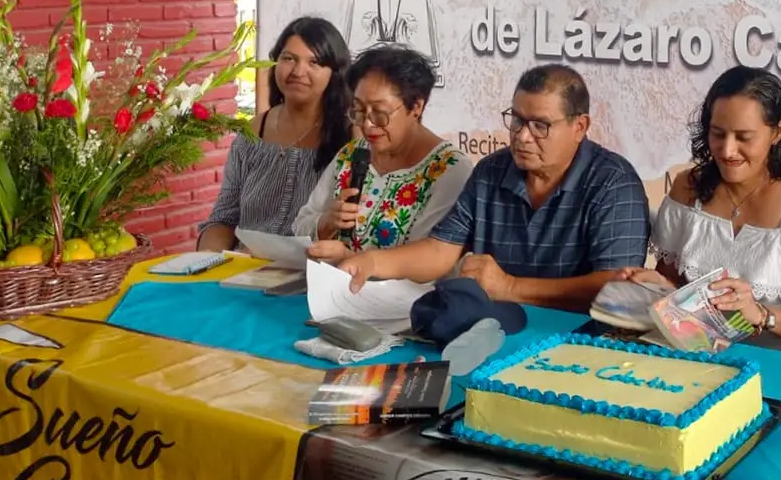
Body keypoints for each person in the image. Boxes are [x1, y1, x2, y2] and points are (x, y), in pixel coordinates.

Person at [327, 64, 650, 311]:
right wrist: (372, 262)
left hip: (578, 345)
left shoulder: (613, 182)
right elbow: (440, 250)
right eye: (517, 120)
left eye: (540, 126)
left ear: (579, 127)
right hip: (495, 328)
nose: (522, 136)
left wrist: (511, 288)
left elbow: (617, 287)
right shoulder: (492, 171)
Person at [620, 66, 781, 355]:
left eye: (744, 137)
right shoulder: (687, 188)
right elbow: (674, 287)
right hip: (695, 357)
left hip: (778, 367)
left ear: (777, 132)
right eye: (718, 134)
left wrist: (760, 314)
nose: (728, 150)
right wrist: (658, 287)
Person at [297, 45, 471, 253]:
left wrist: (350, 261)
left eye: (380, 112)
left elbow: (428, 259)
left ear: (416, 107)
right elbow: (300, 225)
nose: (368, 125)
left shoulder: (450, 170)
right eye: (359, 110)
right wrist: (324, 224)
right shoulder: (352, 154)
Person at [198, 16, 352, 250]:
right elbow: (224, 218)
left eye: (314, 62)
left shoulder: (350, 137)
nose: (298, 71)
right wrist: (206, 262)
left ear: (335, 72)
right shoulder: (252, 133)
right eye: (288, 59)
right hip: (244, 269)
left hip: (312, 274)